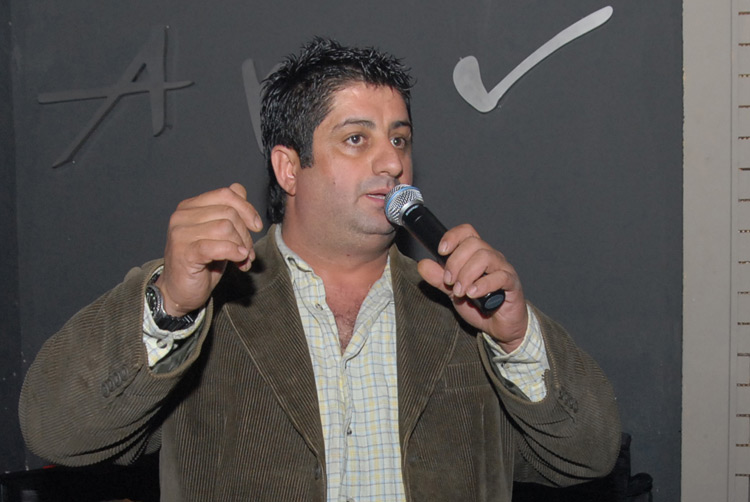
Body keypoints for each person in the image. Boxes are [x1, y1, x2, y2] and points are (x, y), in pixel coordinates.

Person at [20, 38, 621, 502]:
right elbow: (56, 431)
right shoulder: (209, 300)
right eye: (357, 139)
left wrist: (516, 340)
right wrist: (171, 305)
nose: (392, 162)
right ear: (289, 168)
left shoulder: (462, 308)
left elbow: (588, 456)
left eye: (400, 139)